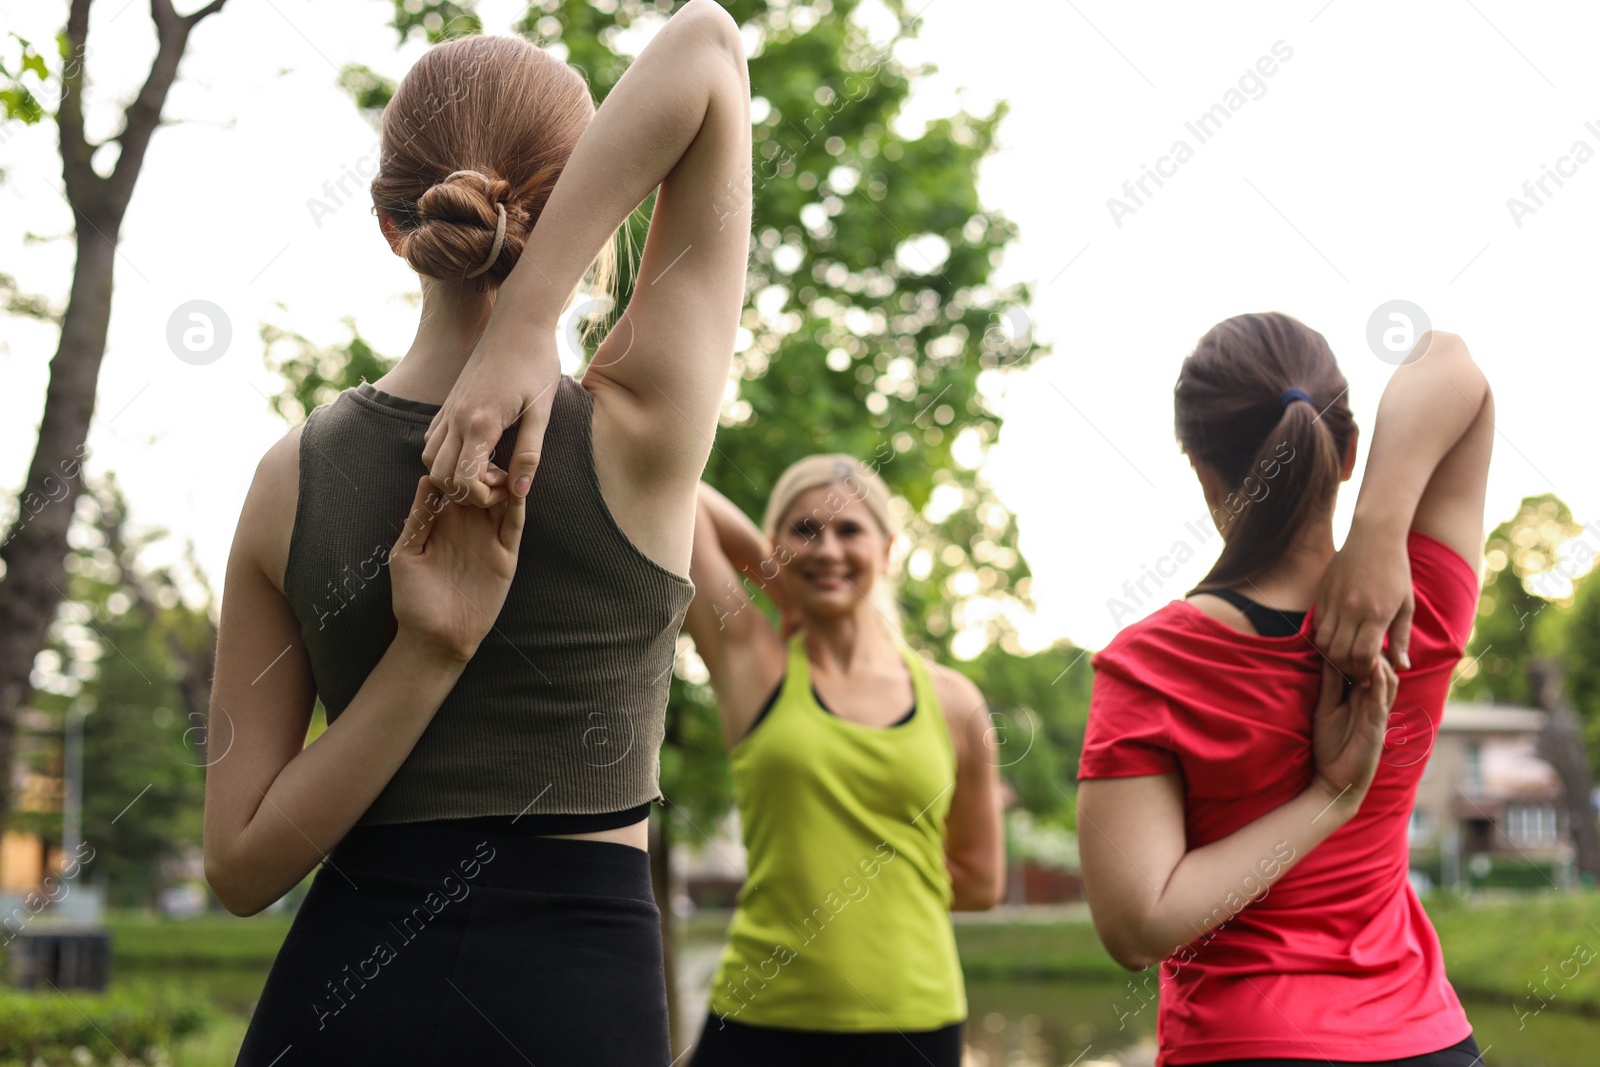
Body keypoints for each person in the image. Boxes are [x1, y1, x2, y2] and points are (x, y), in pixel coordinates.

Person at [204, 4, 750, 1063]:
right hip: (573, 997)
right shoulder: (641, 430)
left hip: (337, 997)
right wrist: (533, 323)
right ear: (595, 204)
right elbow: (708, 46)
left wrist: (422, 658)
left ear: (390, 223)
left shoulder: (290, 475)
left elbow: (239, 867)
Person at [1077, 313, 1494, 1066]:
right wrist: (1380, 526)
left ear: (1203, 469)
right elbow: (1449, 357)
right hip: (1424, 1041)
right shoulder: (1416, 603)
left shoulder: (1150, 665)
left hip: (1245, 1045)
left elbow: (1136, 928)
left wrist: (1329, 798)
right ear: (1348, 453)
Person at [680, 456, 1006, 1067]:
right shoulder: (752, 661)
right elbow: (681, 492)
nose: (827, 547)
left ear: (887, 550)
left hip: (915, 1021)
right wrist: (782, 580)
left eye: (849, 531)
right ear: (777, 546)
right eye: (805, 530)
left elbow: (982, 883)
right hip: (761, 1017)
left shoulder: (956, 702)